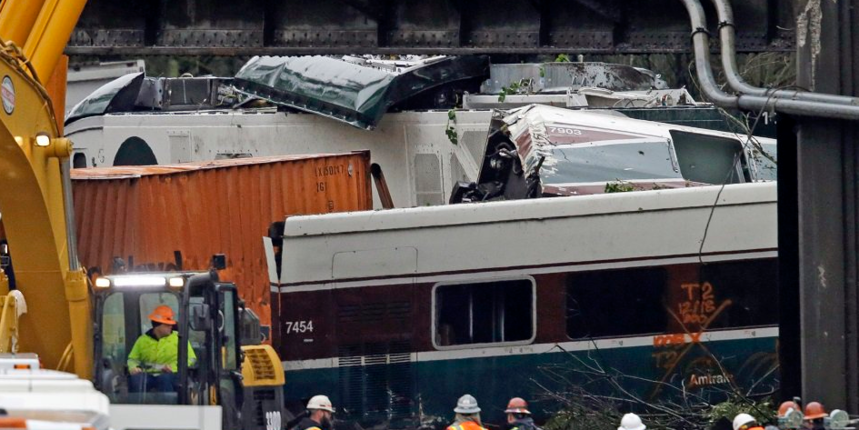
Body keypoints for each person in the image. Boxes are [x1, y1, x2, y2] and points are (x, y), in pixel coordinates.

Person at [127, 305, 196, 393]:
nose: (171, 326)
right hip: (148, 374)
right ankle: (136, 406)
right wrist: (133, 368)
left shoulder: (179, 338)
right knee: (136, 380)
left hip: (172, 374)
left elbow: (191, 358)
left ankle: (168, 405)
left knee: (164, 379)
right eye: (167, 324)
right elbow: (133, 359)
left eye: (171, 324)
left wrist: (173, 368)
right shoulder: (142, 340)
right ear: (157, 325)